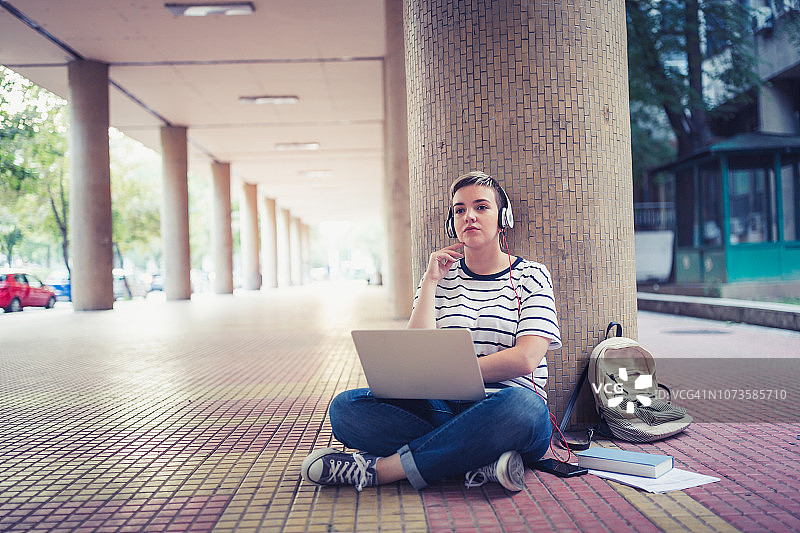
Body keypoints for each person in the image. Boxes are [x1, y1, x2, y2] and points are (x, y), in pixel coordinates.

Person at [301, 171, 562, 492]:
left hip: (506, 408)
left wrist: (454, 371)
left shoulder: (532, 275)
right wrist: (430, 281)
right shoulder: (441, 278)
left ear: (502, 218)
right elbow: (416, 349)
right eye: (460, 210)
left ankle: (381, 470)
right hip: (444, 407)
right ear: (452, 222)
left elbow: (526, 359)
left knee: (524, 410)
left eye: (481, 207)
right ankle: (480, 459)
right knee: (346, 409)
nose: (469, 216)